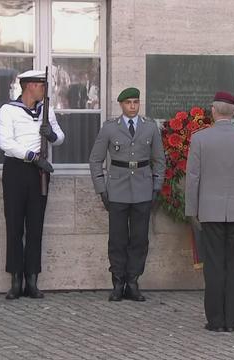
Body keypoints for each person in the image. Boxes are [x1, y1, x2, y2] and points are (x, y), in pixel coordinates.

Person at [185, 91, 234, 332]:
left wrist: (192, 209)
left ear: (214, 111)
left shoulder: (200, 138)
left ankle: (216, 320)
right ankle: (232, 321)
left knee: (214, 265)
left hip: (210, 209)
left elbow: (193, 178)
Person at [89, 87, 165, 302]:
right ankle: (118, 281)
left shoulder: (150, 127)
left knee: (140, 239)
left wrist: (157, 185)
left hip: (142, 188)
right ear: (121, 105)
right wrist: (101, 188)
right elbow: (95, 160)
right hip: (117, 189)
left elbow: (159, 160)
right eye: (128, 102)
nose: (132, 106)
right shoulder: (110, 128)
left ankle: (133, 281)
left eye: (135, 102)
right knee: (117, 239)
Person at [0, 69, 65, 300]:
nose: (44, 89)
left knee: (35, 227)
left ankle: (32, 280)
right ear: (29, 86)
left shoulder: (47, 110)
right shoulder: (8, 110)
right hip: (17, 170)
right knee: (15, 226)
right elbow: (6, 143)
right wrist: (34, 157)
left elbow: (60, 136)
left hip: (40, 173)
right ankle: (16, 280)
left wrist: (52, 136)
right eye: (41, 85)